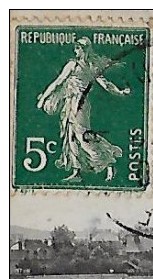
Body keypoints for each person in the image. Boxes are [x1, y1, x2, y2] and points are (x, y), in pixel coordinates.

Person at [36, 37, 131, 182]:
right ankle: (76, 172)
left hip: (80, 105)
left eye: (78, 48)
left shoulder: (87, 66)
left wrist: (120, 92)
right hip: (70, 103)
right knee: (70, 136)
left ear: (85, 49)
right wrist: (44, 98)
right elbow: (58, 82)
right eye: (76, 48)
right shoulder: (75, 65)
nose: (76, 51)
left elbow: (105, 84)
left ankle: (108, 162)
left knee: (82, 135)